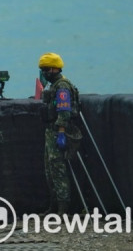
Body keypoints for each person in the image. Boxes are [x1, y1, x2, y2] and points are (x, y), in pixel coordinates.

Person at [39, 52, 81, 215]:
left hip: (59, 131)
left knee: (58, 170)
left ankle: (63, 209)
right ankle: (54, 206)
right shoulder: (54, 86)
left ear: (53, 69)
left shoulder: (62, 87)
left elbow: (64, 111)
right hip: (51, 131)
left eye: (45, 70)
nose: (44, 73)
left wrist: (62, 132)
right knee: (50, 171)